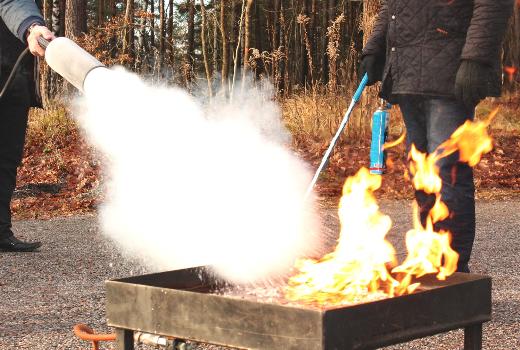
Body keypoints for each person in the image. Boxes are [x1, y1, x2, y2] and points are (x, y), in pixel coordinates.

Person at [360, 0, 514, 272]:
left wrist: (475, 59)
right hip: (406, 71)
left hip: (451, 71)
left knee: (447, 172)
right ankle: (430, 260)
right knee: (422, 174)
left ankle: (452, 273)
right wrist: (375, 47)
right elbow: (392, 6)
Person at [0, 0, 54, 252]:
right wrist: (31, 26)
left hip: (13, 80)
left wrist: (32, 27)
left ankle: (0, 231)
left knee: (6, 160)